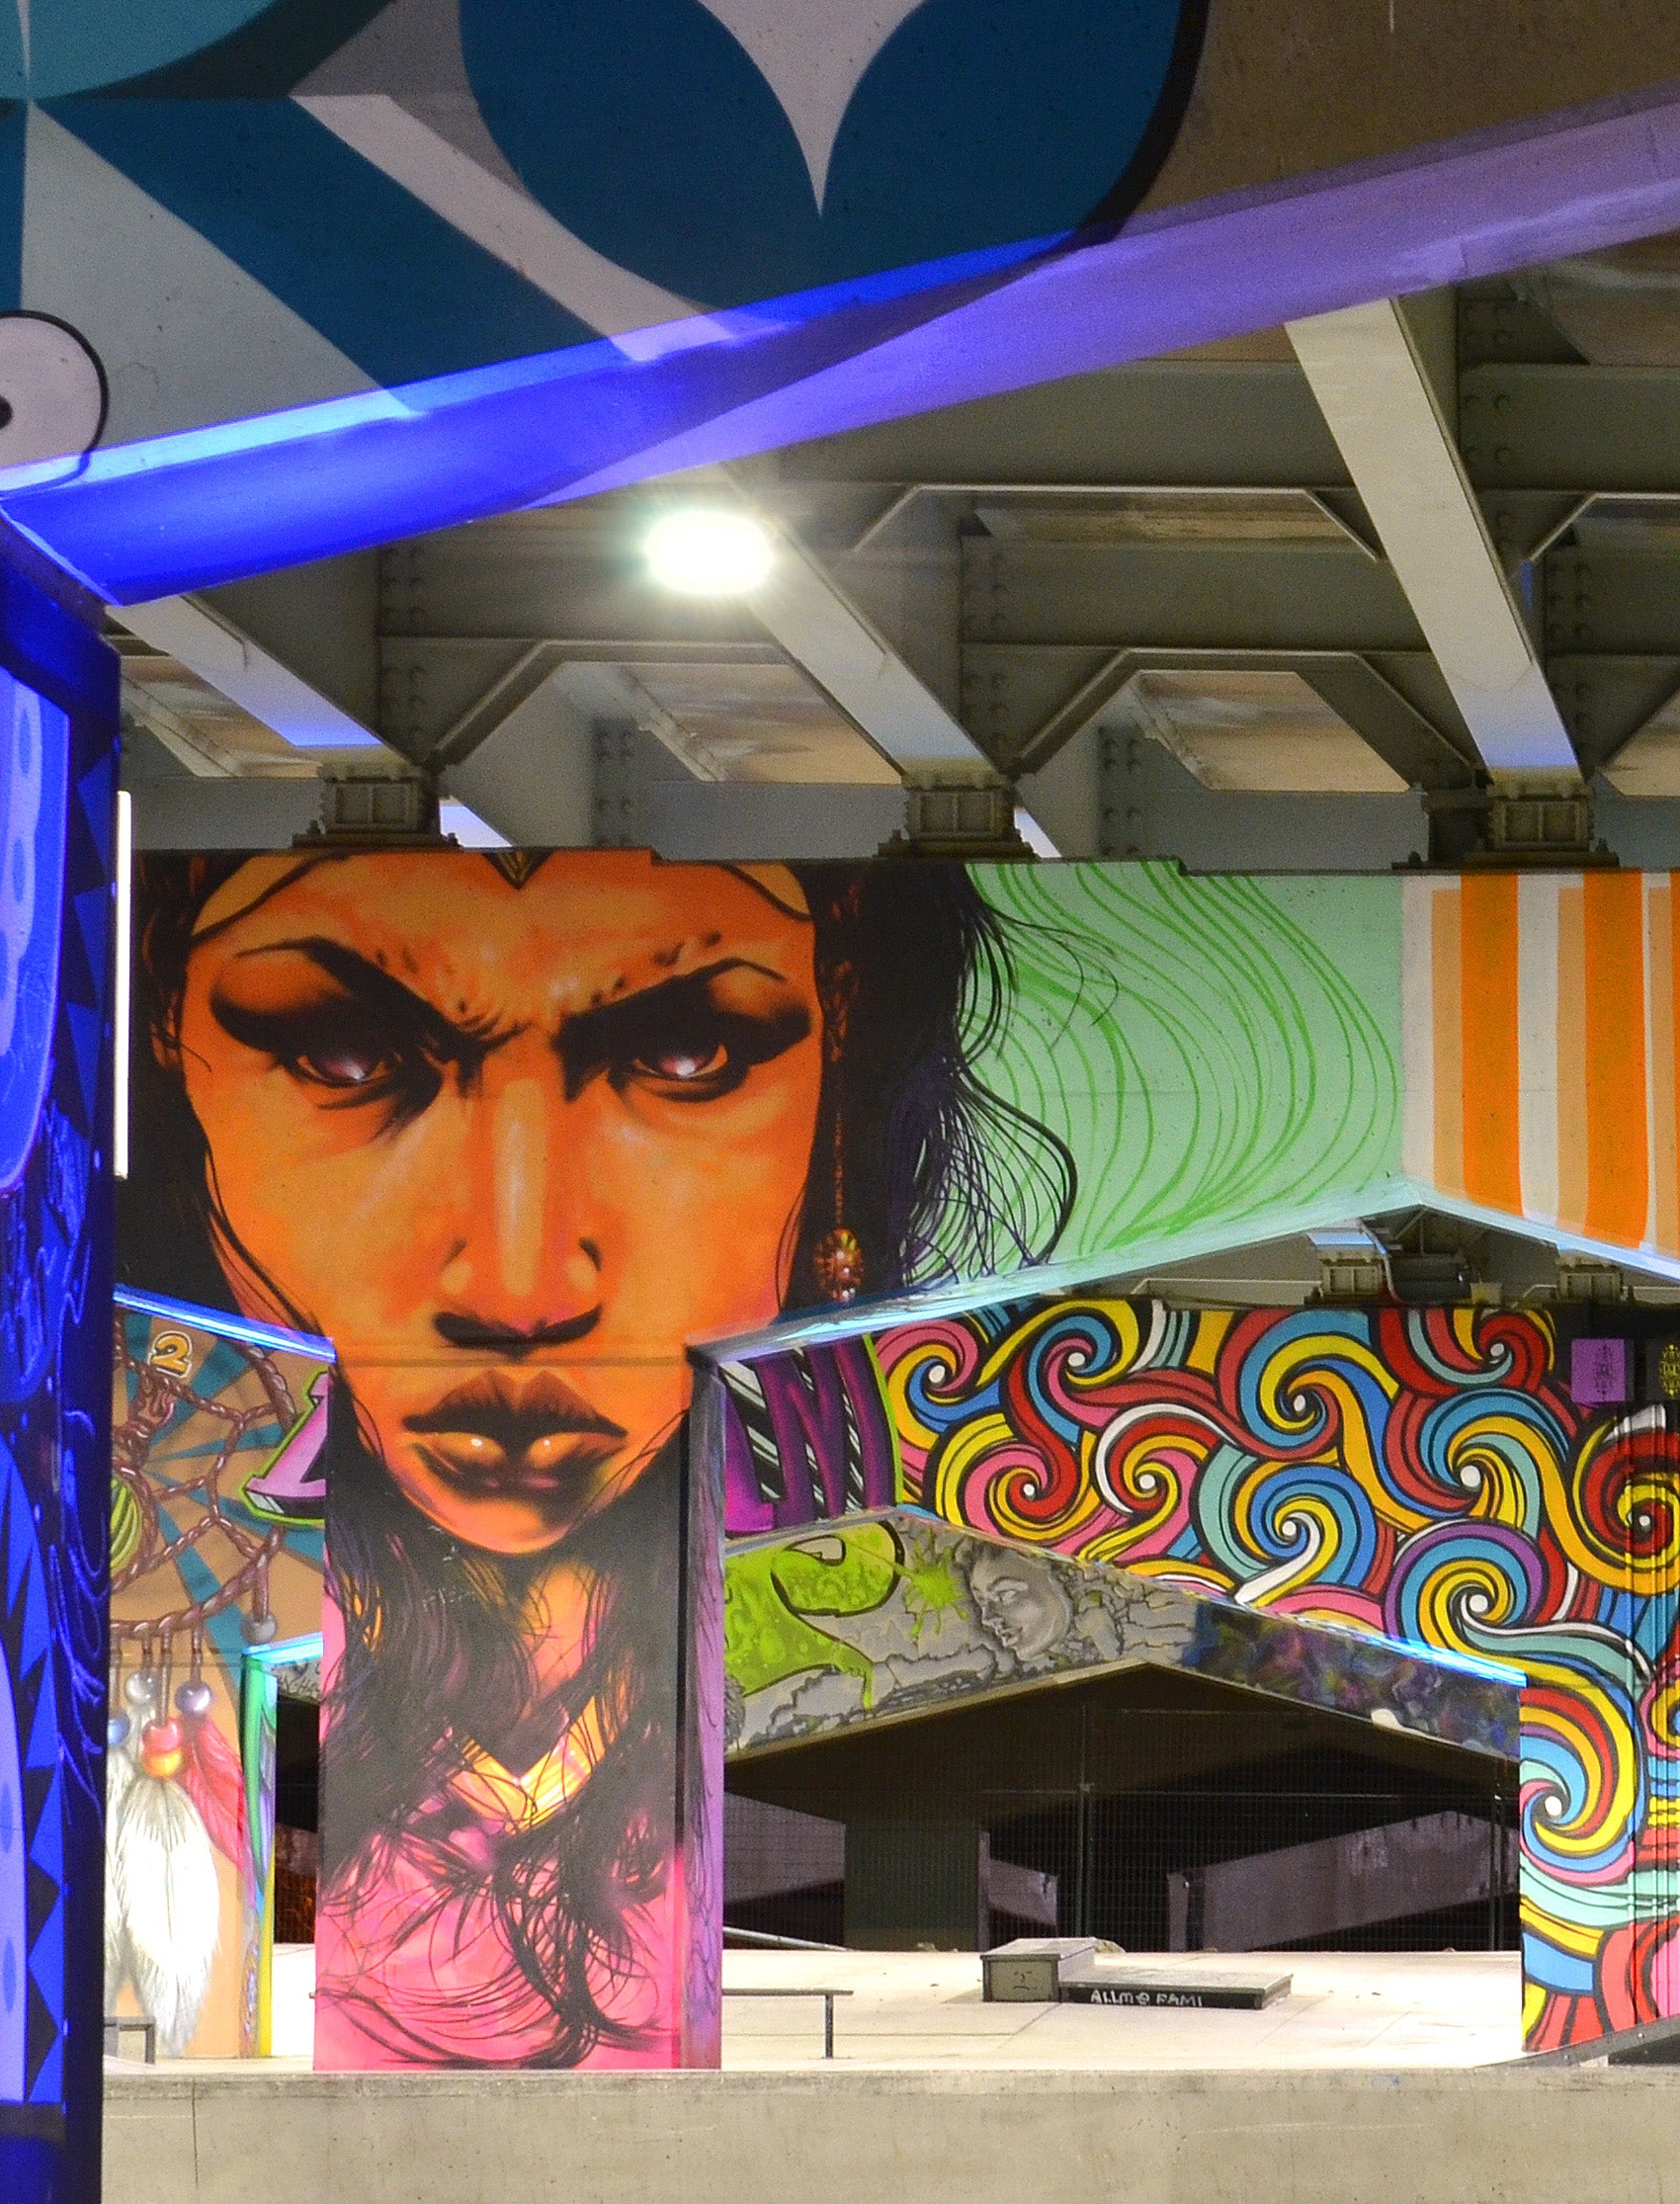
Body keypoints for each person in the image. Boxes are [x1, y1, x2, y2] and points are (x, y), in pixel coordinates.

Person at [136, 849, 1056, 2067]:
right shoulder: (170, 1516)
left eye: (685, 1061)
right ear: (160, 1045)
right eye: (347, 1059)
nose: (520, 1287)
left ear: (845, 1047)